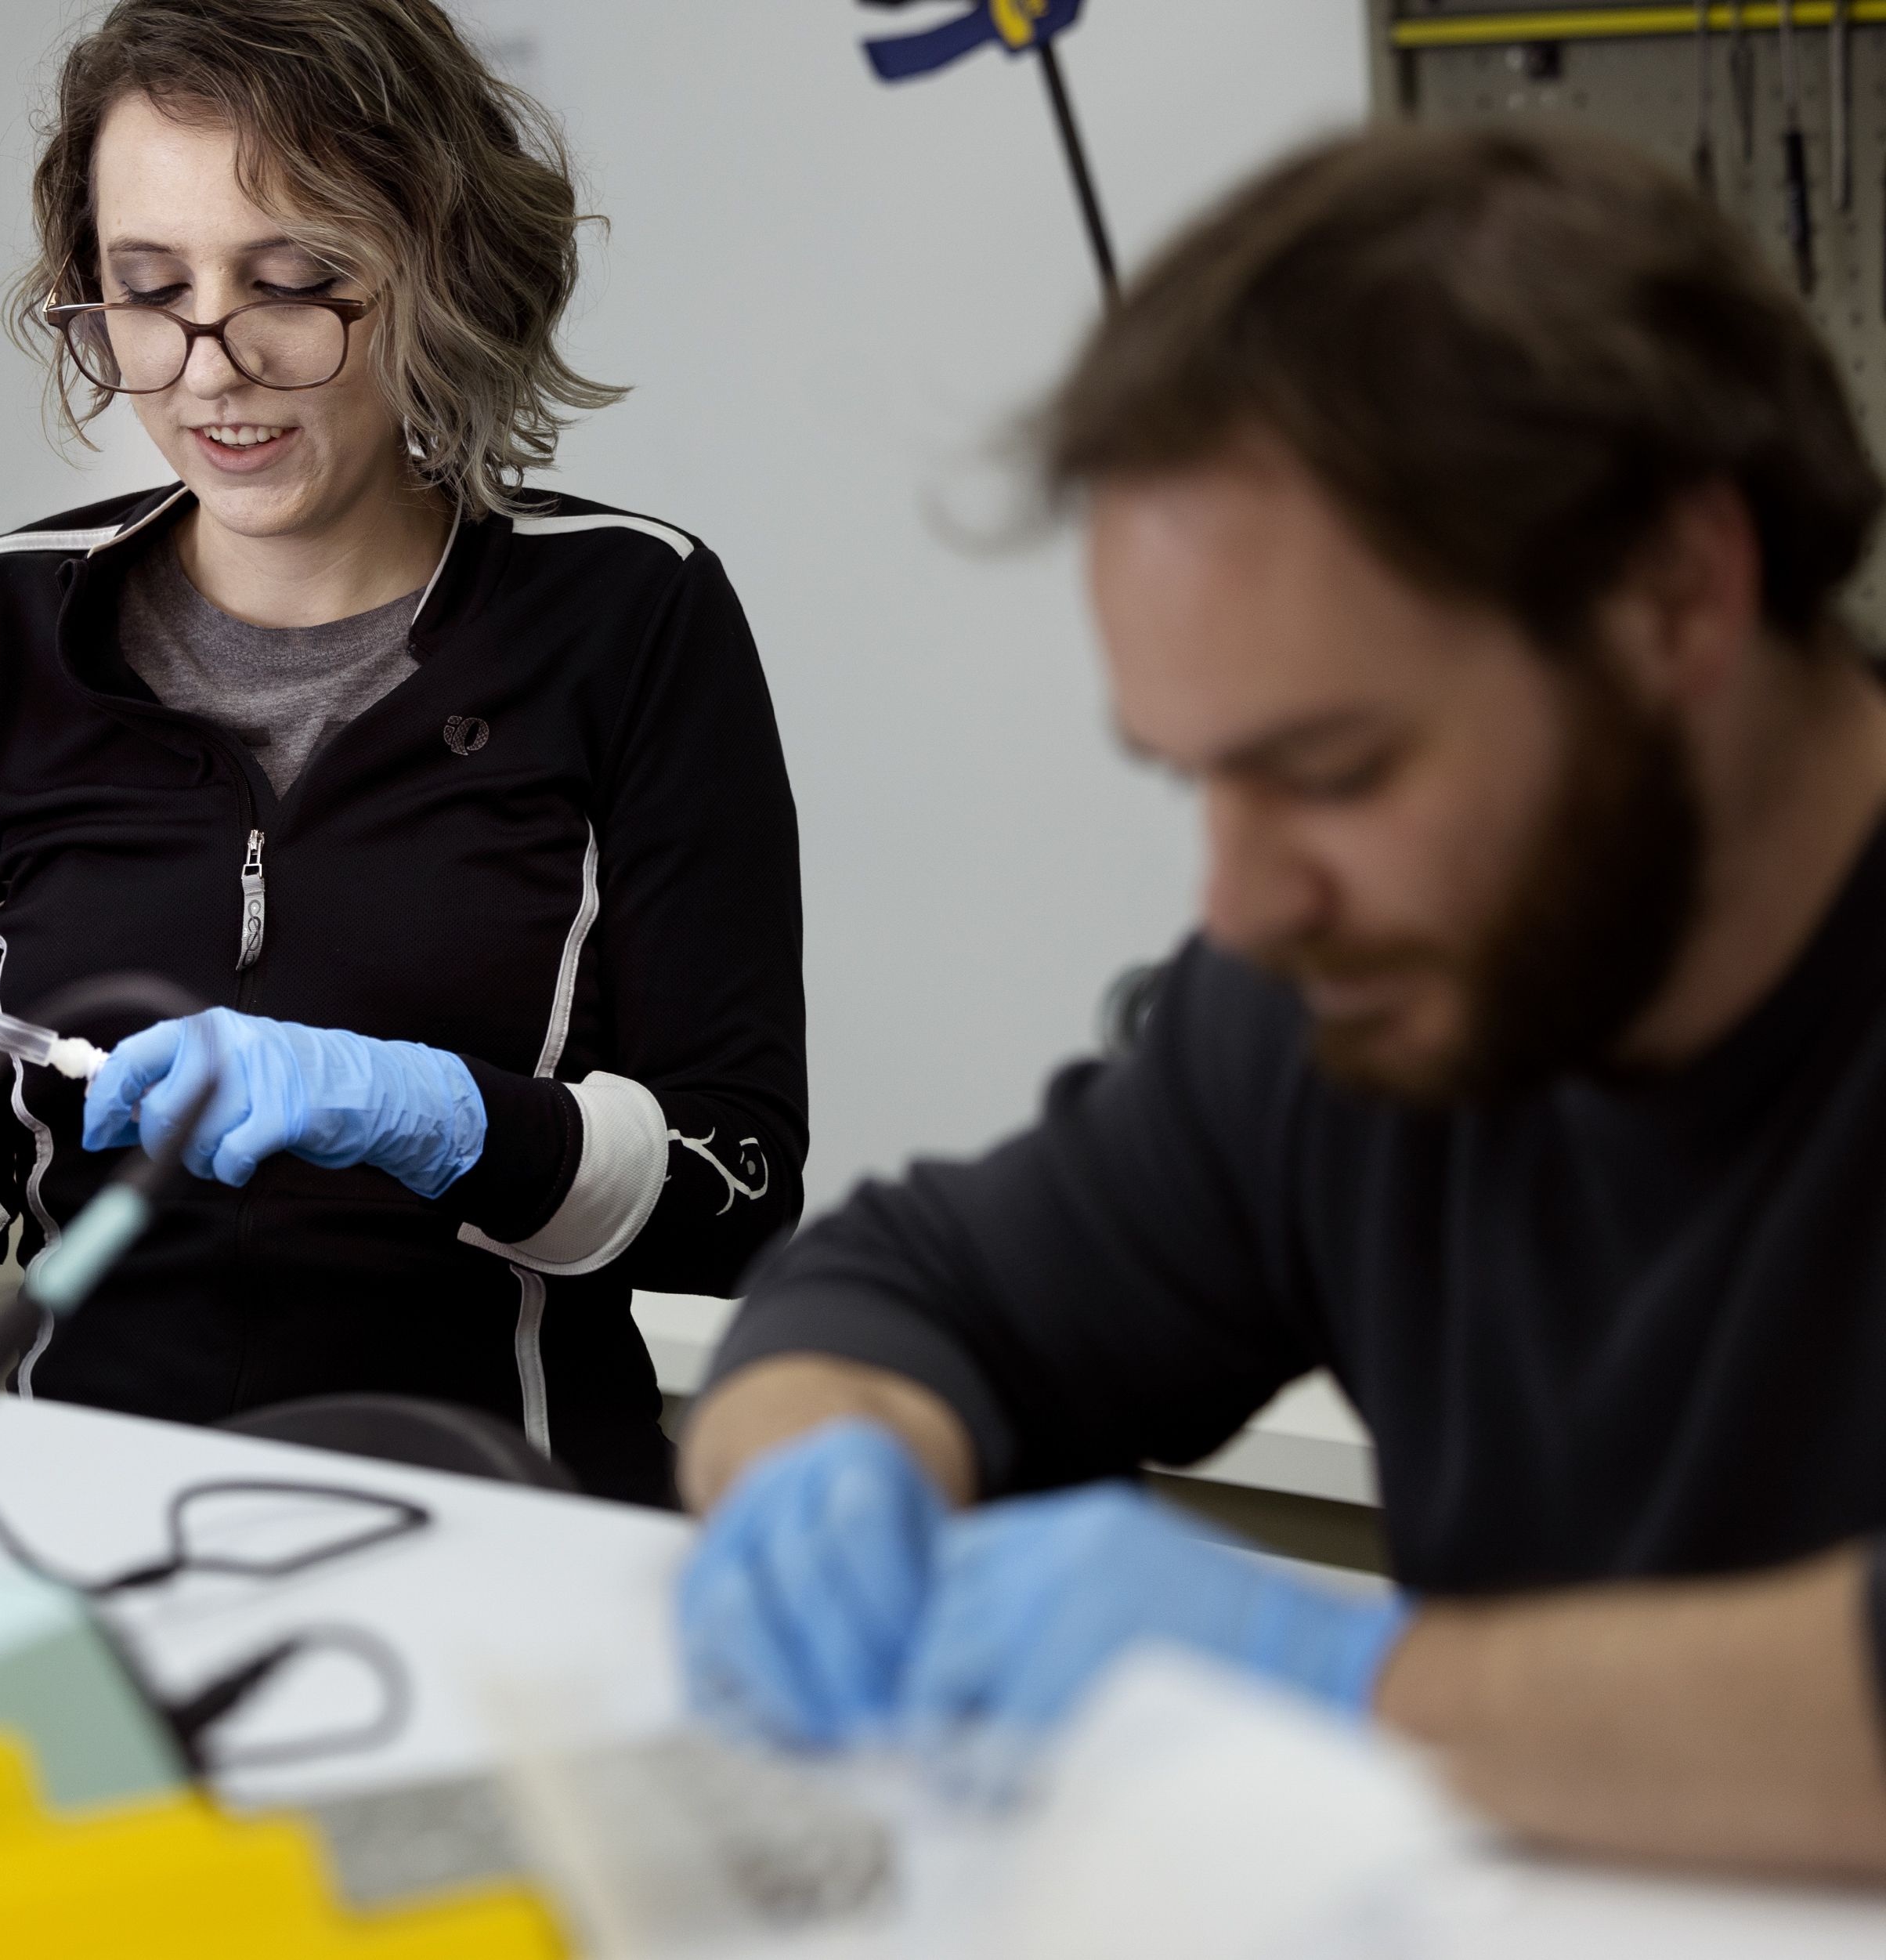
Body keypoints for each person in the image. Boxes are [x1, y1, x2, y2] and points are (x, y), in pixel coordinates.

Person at [676, 125, 1886, 1875]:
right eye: (1195, 780)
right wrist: (816, 1458)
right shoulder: (1335, 1002)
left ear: (1671, 597)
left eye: (1332, 768)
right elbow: (914, 1290)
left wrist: (1362, 1679)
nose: (1238, 904)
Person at [0, 0, 804, 1506]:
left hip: (512, 1524)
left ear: (439, 272)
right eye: (147, 289)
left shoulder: (632, 614)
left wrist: (444, 1122)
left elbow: (738, 1200)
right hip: (88, 1526)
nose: (208, 366)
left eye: (295, 283)